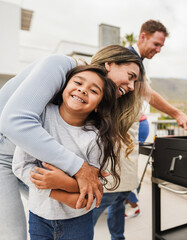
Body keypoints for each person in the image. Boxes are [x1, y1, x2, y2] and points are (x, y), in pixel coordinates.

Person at [0, 45, 146, 240]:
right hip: (4, 157)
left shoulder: (91, 127)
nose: (130, 86)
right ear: (109, 64)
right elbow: (14, 121)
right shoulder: (60, 65)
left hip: (30, 159)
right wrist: (79, 169)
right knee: (14, 234)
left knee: (60, 211)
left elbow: (93, 184)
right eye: (130, 76)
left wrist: (71, 186)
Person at [91, 20, 187, 239]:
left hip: (125, 140)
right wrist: (176, 113)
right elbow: (148, 93)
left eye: (161, 47)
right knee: (106, 197)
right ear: (142, 37)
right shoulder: (128, 59)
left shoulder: (137, 63)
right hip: (115, 137)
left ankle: (118, 237)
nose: (158, 50)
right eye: (156, 44)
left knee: (119, 197)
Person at [12, 65, 121, 240]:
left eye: (93, 90)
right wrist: (60, 192)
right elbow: (20, 167)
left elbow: (96, 185)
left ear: (98, 106)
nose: (83, 89)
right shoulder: (41, 116)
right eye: (78, 82)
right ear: (63, 89)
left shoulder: (95, 136)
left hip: (78, 220)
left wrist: (64, 182)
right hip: (39, 216)